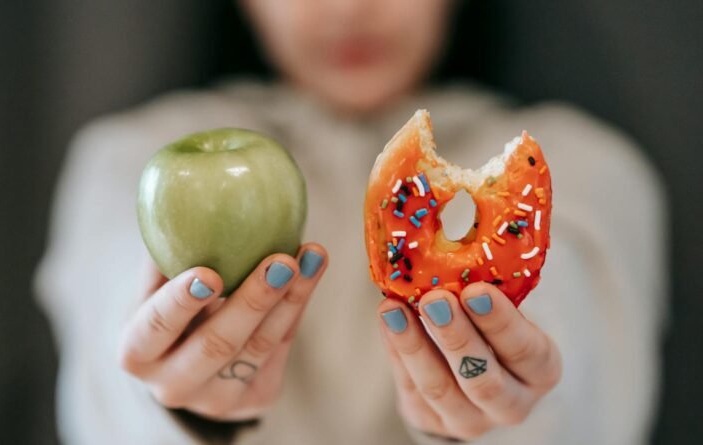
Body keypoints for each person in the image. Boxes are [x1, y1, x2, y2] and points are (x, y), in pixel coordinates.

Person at [34, 0, 667, 443]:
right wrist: (175, 400)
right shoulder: (123, 157)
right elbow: (107, 336)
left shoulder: (589, 163)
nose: (347, 8)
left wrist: (514, 396)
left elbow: (579, 336)